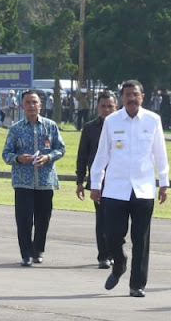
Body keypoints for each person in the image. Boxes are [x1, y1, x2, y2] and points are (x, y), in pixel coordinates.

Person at [90, 79, 170, 298]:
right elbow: (102, 154)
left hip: (143, 188)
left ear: (142, 97)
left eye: (135, 95)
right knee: (112, 235)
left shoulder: (153, 120)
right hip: (116, 188)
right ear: (121, 98)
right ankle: (119, 263)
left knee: (141, 239)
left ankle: (137, 284)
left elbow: (159, 153)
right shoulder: (112, 121)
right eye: (127, 95)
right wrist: (95, 184)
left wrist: (164, 182)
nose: (132, 99)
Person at [2, 90, 66, 266]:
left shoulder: (50, 126)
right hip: (23, 182)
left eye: (34, 102)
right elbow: (6, 153)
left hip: (45, 181)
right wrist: (18, 158)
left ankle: (38, 250)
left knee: (43, 219)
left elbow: (60, 149)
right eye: (28, 102)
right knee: (23, 220)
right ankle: (26, 254)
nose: (31, 105)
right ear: (21, 106)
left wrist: (48, 157)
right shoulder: (16, 129)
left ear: (40, 105)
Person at [76, 91, 117, 269]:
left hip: (119, 181)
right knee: (101, 220)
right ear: (97, 107)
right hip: (98, 182)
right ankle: (103, 256)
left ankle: (115, 253)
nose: (106, 109)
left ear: (116, 107)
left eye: (110, 106)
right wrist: (80, 181)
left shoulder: (122, 126)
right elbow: (82, 156)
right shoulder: (90, 127)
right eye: (103, 106)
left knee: (117, 221)